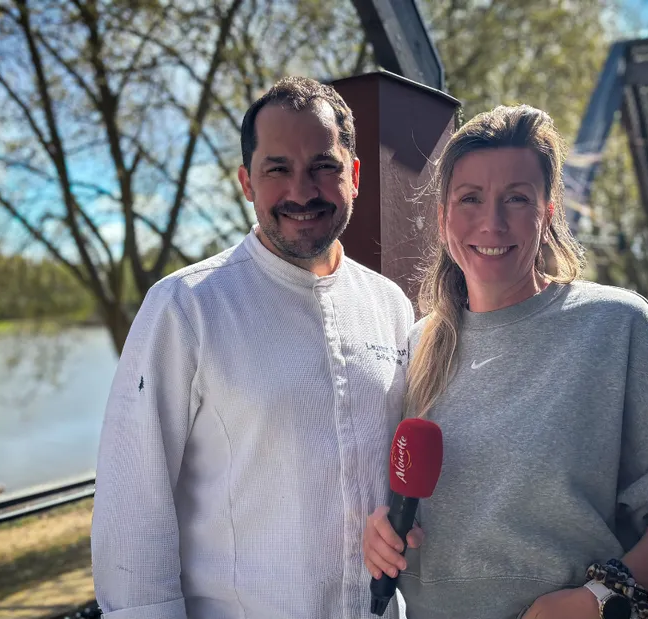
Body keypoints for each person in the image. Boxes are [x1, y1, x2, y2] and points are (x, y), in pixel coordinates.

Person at [362, 104, 648, 619]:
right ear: (442, 218)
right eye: (470, 198)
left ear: (548, 212)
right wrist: (381, 531)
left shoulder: (614, 325)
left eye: (517, 199)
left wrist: (600, 601)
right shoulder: (419, 344)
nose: (492, 221)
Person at [91, 76, 416, 619]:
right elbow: (133, 508)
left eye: (324, 166)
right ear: (246, 181)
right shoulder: (185, 307)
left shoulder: (390, 305)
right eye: (277, 169)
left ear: (355, 176)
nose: (302, 190)